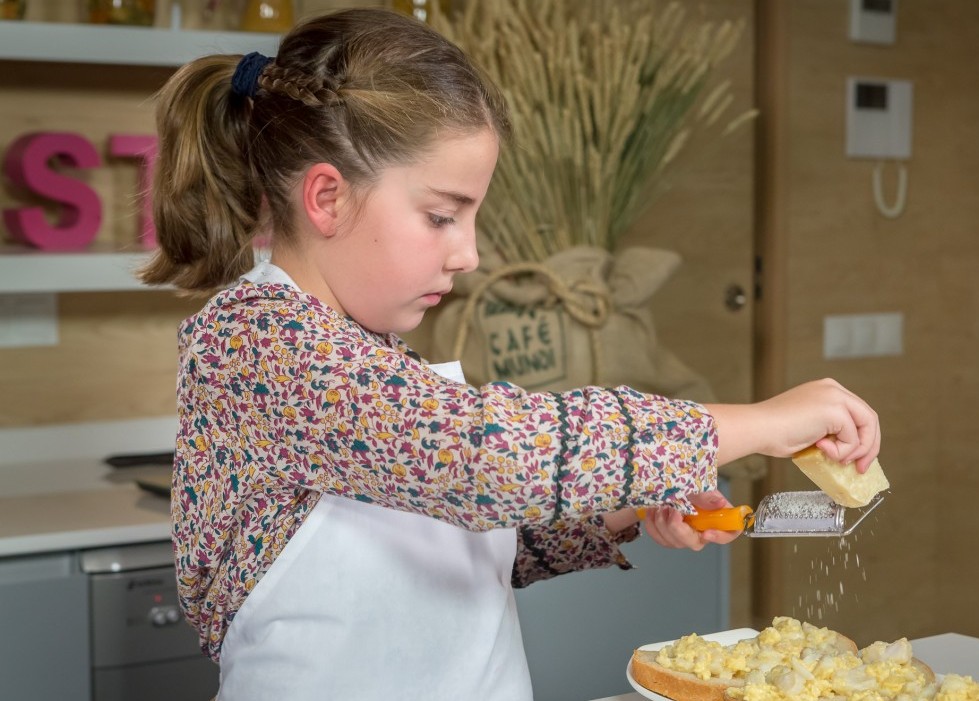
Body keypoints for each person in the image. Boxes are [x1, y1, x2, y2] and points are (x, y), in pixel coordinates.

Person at [140, 7, 881, 700]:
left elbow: (463, 550)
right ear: (328, 198)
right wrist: (754, 423)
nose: (469, 253)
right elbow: (485, 459)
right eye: (440, 215)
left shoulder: (373, 357)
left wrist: (626, 504)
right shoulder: (258, 341)